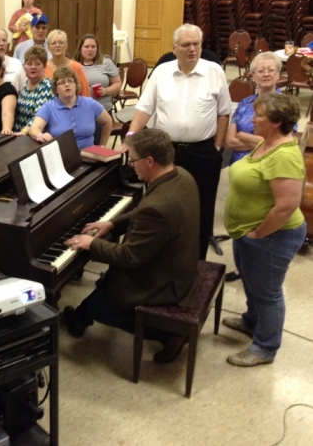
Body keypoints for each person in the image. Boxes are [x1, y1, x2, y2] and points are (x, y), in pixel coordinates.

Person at [62, 129, 201, 363]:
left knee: (102, 303)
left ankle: (169, 333)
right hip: (177, 263)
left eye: (134, 159)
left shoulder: (158, 206)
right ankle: (79, 318)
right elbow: (145, 213)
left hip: (165, 281)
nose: (132, 165)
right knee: (105, 286)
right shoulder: (181, 175)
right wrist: (112, 223)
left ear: (150, 161)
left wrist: (91, 244)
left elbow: (129, 256)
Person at [125, 23, 232, 260]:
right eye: (186, 45)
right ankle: (162, 256)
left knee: (202, 209)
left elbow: (224, 112)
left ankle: (197, 262)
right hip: (165, 151)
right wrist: (131, 137)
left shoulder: (215, 71)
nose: (192, 49)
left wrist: (217, 147)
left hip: (203, 152)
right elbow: (144, 108)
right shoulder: (161, 72)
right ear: (174, 48)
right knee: (161, 205)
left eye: (197, 44)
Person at [222, 92, 306, 367]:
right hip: (248, 231)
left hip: (273, 236)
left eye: (259, 116)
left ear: (278, 121)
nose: (252, 119)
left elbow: (286, 205)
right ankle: (251, 322)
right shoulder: (267, 142)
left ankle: (265, 347)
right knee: (252, 281)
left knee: (267, 292)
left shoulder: (284, 156)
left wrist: (259, 233)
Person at [224, 51, 286, 282]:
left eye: (271, 70)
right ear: (253, 75)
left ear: (279, 74)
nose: (266, 74)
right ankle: (243, 268)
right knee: (240, 216)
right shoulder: (245, 103)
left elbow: (281, 145)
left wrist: (246, 137)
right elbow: (230, 141)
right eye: (261, 70)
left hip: (266, 173)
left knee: (259, 219)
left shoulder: (285, 106)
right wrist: (263, 141)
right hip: (239, 170)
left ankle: (257, 271)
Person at [28, 67, 112, 149]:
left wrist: (102, 146)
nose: (67, 84)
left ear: (76, 85)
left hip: (89, 155)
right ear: (56, 89)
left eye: (70, 81)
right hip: (62, 156)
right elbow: (33, 128)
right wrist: (41, 136)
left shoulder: (90, 103)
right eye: (62, 82)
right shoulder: (49, 107)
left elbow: (107, 122)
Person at [77, 33, 122, 144]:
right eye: (86, 47)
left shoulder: (106, 63)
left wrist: (106, 90)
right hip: (81, 110)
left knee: (96, 140)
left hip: (103, 110)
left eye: (93, 47)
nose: (90, 50)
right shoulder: (75, 65)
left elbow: (117, 83)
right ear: (80, 49)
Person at [13, 45, 54, 134]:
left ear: (44, 66)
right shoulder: (27, 83)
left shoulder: (47, 86)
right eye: (29, 63)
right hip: (20, 136)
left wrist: (24, 132)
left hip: (35, 137)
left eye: (37, 63)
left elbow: (40, 115)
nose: (33, 67)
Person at [45, 30, 90, 97]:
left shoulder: (77, 67)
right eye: (53, 43)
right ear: (48, 47)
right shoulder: (43, 67)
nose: (57, 45)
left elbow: (85, 94)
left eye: (61, 42)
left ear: (66, 45)